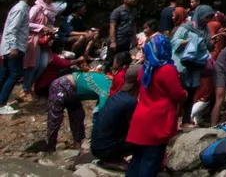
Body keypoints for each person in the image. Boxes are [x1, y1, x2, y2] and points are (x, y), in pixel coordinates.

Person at [126, 35, 187, 177]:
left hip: (141, 118)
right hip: (158, 121)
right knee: (151, 160)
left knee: (137, 158)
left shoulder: (144, 68)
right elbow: (177, 94)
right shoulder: (167, 70)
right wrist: (185, 94)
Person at [46, 66, 111, 150]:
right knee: (55, 119)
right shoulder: (108, 89)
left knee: (78, 116)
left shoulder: (109, 82)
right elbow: (102, 111)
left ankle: (77, 145)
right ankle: (50, 147)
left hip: (73, 90)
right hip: (61, 85)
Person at [92, 63, 139, 168]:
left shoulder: (117, 95)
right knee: (144, 138)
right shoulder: (130, 102)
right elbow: (135, 130)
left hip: (97, 145)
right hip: (105, 149)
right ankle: (115, 160)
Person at [0, 0, 38, 114]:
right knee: (15, 74)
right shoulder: (20, 9)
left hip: (12, 46)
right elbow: (12, 29)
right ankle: (1, 104)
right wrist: (13, 47)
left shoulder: (22, 8)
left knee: (5, 74)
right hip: (13, 47)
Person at [108, 0, 137, 70]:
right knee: (110, 60)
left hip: (127, 39)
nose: (133, 0)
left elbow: (133, 25)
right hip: (118, 38)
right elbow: (112, 26)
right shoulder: (117, 11)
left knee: (124, 59)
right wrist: (113, 41)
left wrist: (134, 38)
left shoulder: (133, 11)